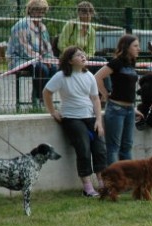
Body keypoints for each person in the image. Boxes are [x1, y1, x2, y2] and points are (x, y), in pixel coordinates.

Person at [43, 46, 106, 198]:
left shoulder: (89, 75)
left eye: (83, 54)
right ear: (70, 61)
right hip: (72, 118)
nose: (83, 56)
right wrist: (53, 111)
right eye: (78, 55)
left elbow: (95, 98)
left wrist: (98, 120)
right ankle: (87, 188)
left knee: (99, 149)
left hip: (89, 117)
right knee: (83, 149)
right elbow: (47, 92)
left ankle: (103, 184)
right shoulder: (61, 76)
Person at [94, 34, 142, 165]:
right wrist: (105, 94)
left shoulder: (131, 63)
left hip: (129, 109)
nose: (139, 49)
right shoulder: (116, 62)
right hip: (116, 109)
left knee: (127, 146)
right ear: (126, 47)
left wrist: (133, 108)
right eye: (135, 46)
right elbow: (97, 77)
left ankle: (128, 179)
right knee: (114, 147)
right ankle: (114, 180)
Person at [6, 0, 57, 107]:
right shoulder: (21, 25)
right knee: (41, 68)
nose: (40, 14)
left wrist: (50, 60)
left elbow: (47, 48)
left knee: (54, 67)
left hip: (39, 60)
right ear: (30, 10)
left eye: (43, 11)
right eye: (37, 10)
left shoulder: (43, 27)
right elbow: (23, 49)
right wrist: (42, 60)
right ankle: (38, 99)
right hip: (19, 59)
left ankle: (44, 97)